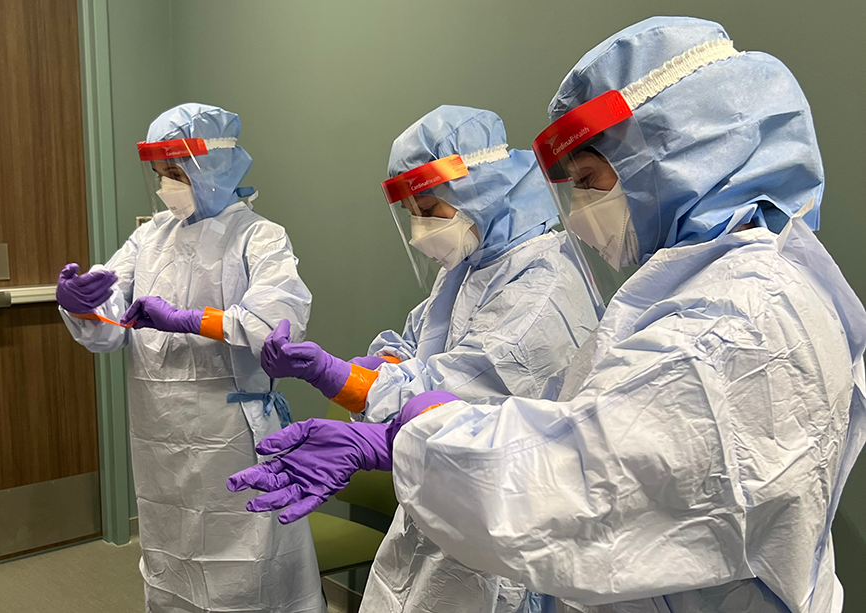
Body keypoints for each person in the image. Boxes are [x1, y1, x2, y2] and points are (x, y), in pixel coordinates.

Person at [226, 17, 866, 613]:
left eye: (591, 179)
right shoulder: (704, 284)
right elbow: (575, 421)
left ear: (685, 152)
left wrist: (393, 433)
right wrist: (387, 400)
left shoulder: (741, 313)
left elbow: (581, 479)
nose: (582, 208)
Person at [243, 105, 602, 612]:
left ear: (480, 188)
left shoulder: (543, 281)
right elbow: (418, 349)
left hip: (500, 518)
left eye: (429, 209)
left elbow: (467, 388)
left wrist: (339, 380)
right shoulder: (473, 263)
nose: (420, 230)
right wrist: (369, 369)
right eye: (412, 213)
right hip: (439, 501)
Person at [56, 103, 323, 613]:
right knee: (170, 557)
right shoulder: (150, 236)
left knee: (250, 568)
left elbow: (277, 319)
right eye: (160, 175)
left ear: (215, 167)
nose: (166, 187)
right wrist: (84, 304)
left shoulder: (259, 237)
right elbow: (111, 326)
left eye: (176, 174)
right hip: (159, 438)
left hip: (233, 436)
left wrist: (188, 320)